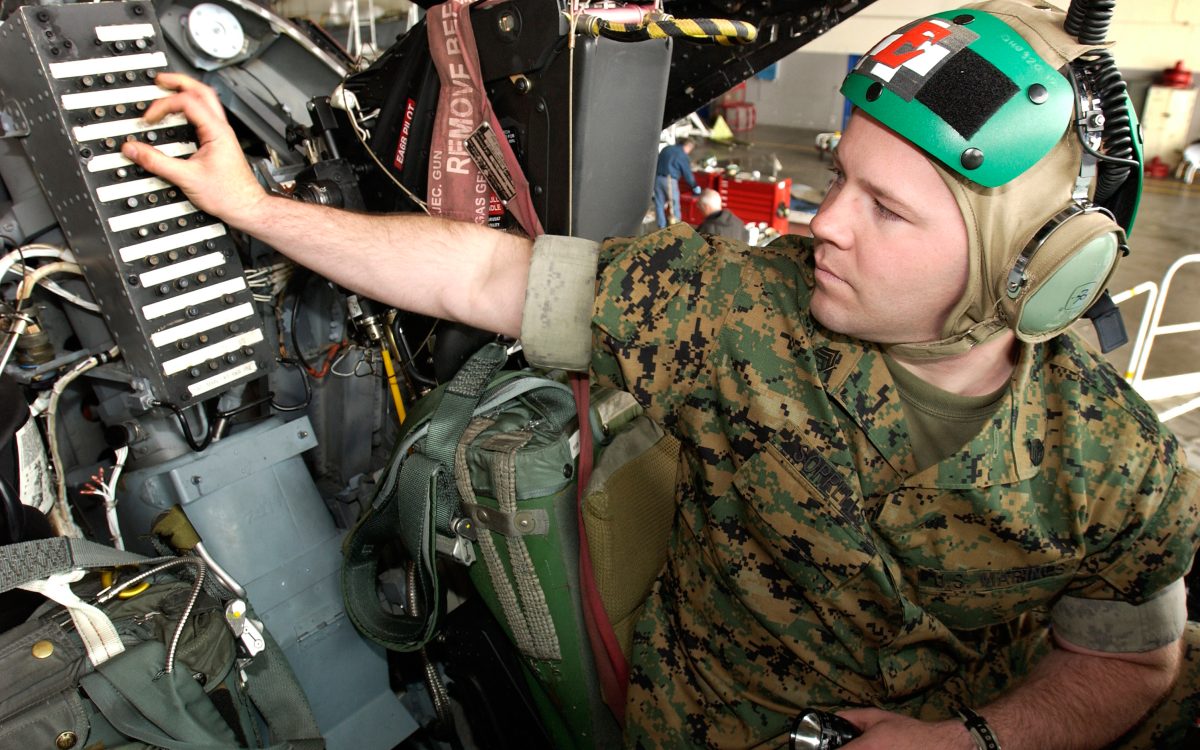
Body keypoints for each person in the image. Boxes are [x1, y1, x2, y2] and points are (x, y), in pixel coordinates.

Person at [121, 1, 1199, 748]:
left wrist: (977, 741)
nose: (827, 224)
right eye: (843, 181)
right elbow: (490, 276)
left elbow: (1127, 666)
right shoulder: (733, 309)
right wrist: (256, 211)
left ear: (1031, 266)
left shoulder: (1118, 472)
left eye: (890, 211)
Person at [653, 136, 701, 227]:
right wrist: (694, 186)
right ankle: (676, 229)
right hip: (669, 181)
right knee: (674, 205)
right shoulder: (681, 154)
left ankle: (661, 227)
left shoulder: (667, 148)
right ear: (688, 146)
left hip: (657, 178)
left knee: (659, 204)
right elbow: (687, 174)